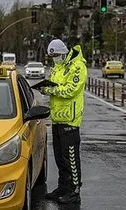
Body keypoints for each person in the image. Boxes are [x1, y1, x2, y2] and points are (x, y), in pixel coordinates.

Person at [39, 39, 87, 204]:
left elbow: (71, 90)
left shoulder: (77, 67)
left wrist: (50, 90)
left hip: (70, 121)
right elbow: (54, 84)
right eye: (53, 56)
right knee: (60, 158)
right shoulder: (56, 68)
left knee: (71, 159)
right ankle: (63, 187)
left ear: (64, 52)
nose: (55, 58)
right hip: (57, 119)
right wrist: (45, 88)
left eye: (57, 55)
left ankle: (74, 191)